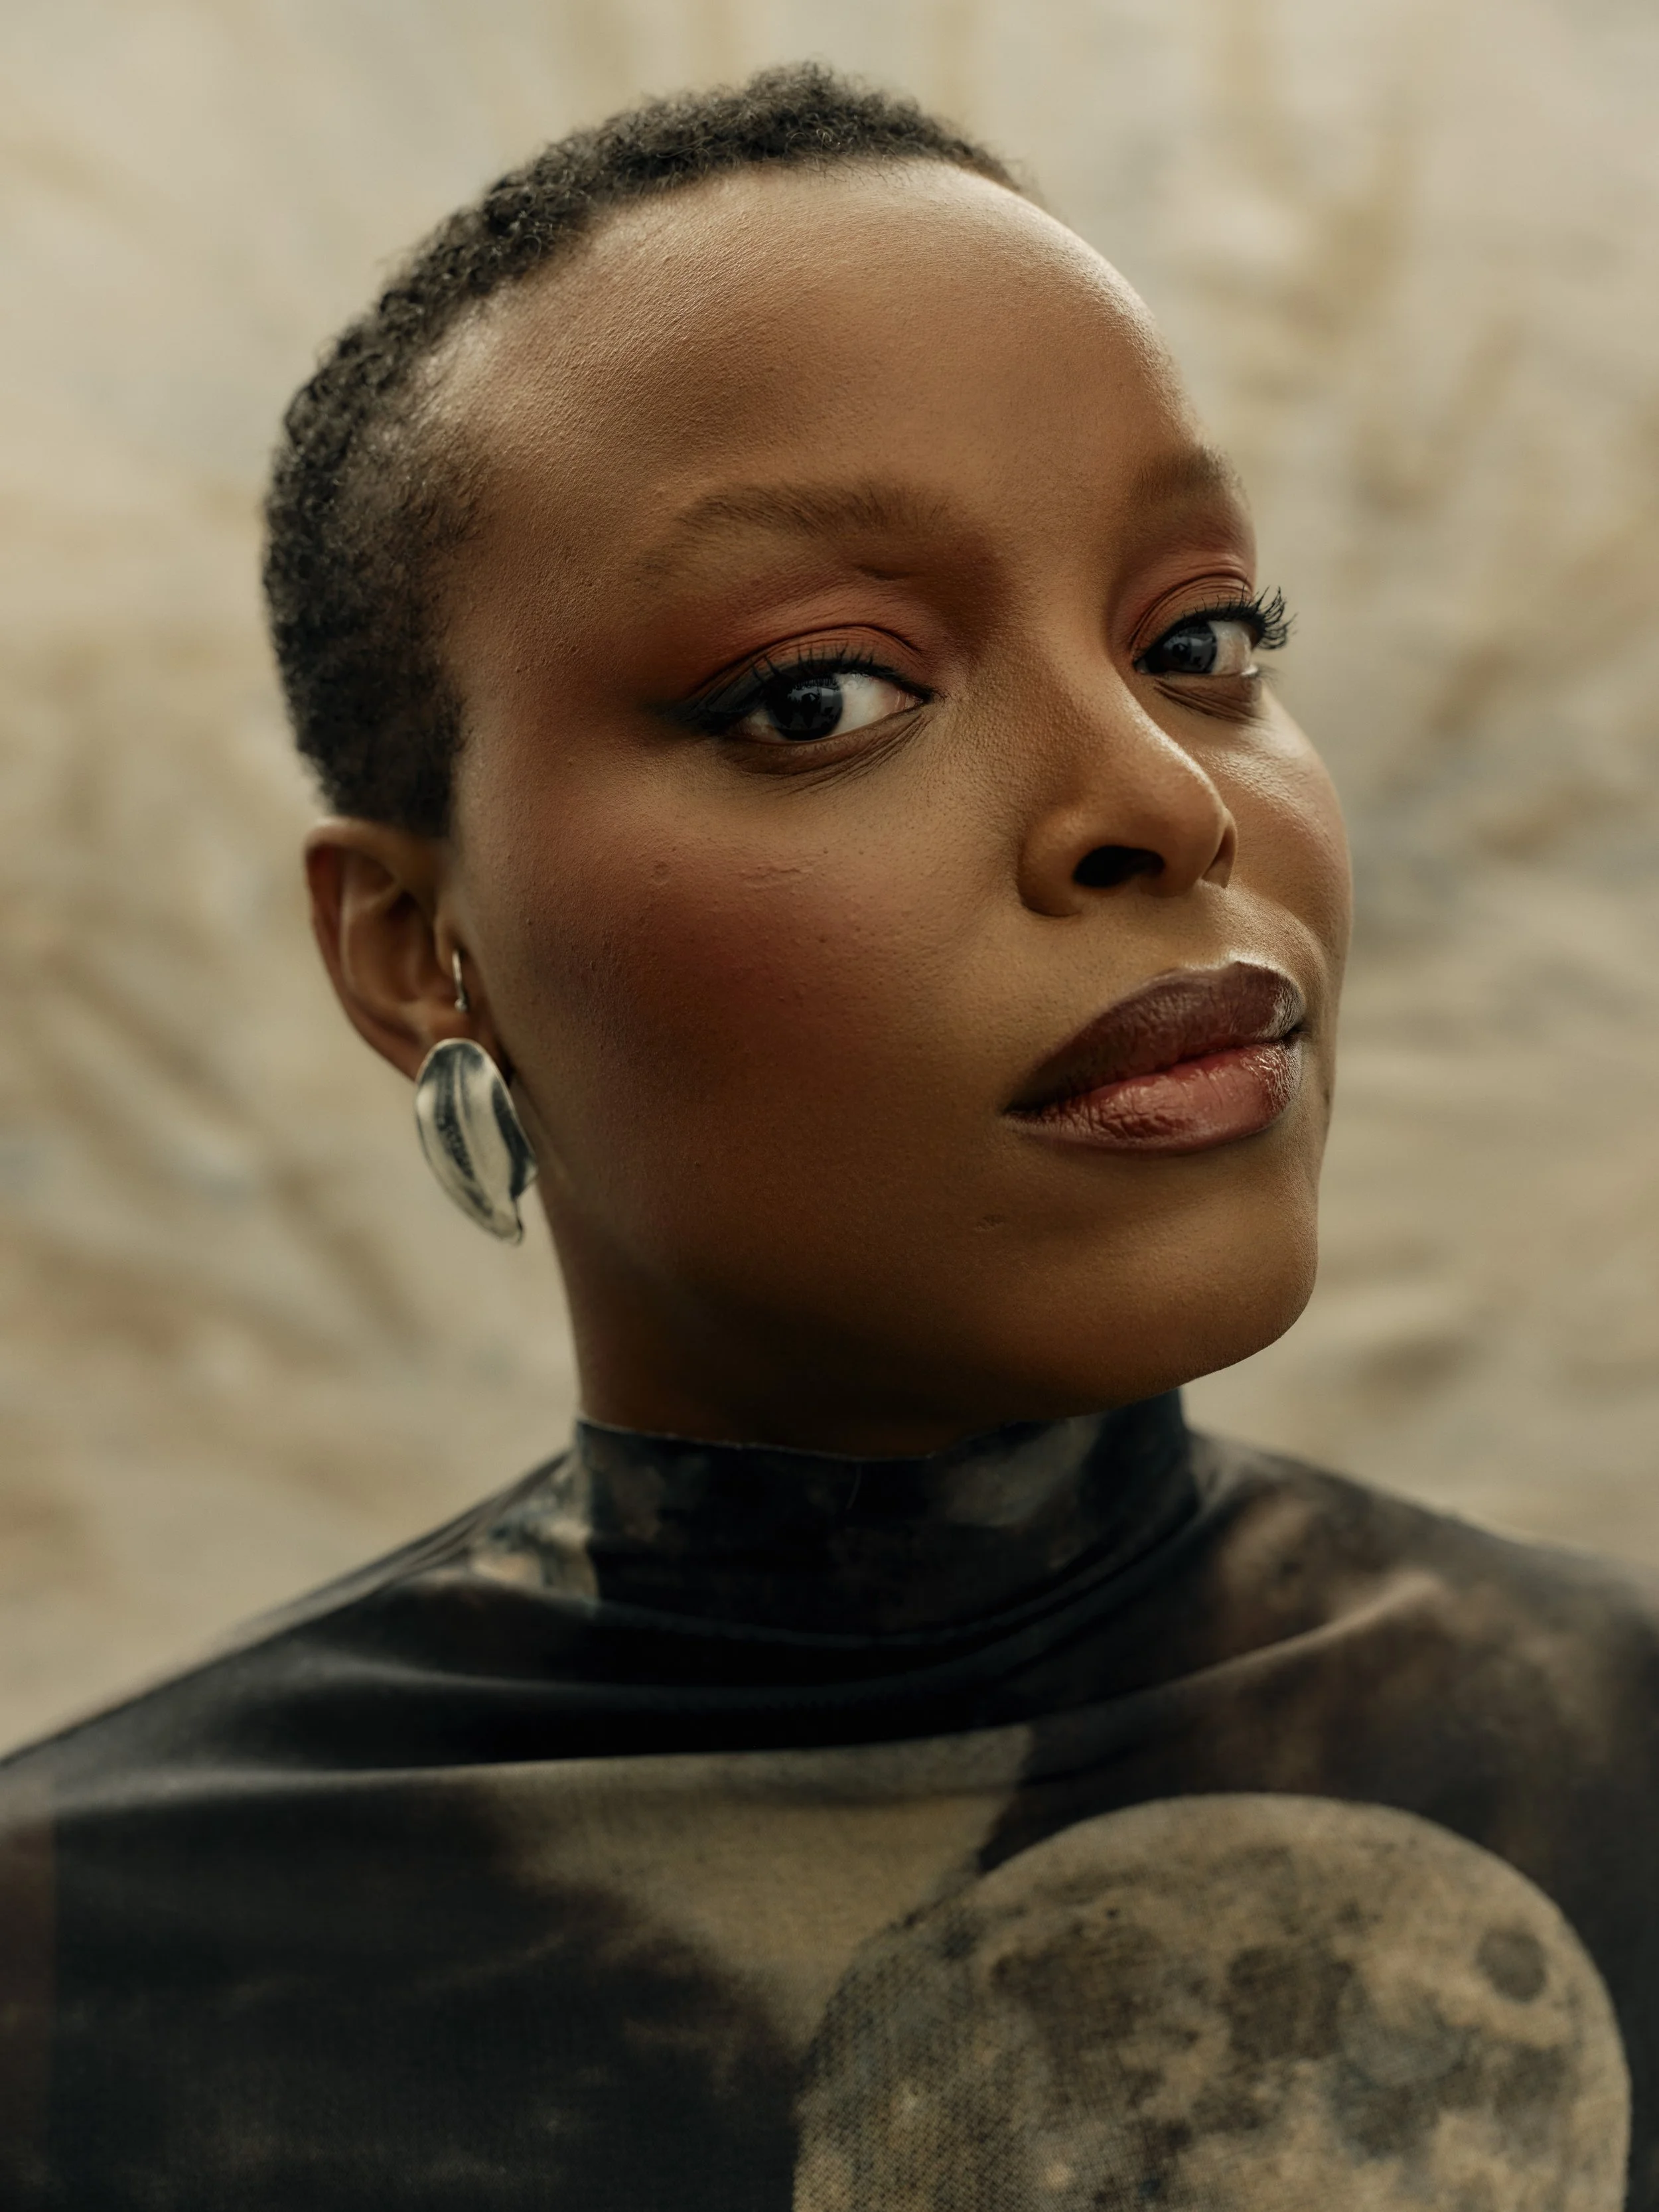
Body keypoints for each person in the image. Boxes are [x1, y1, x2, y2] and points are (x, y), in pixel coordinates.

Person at [0, 62, 1648, 2209]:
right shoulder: (71, 1994)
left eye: (1200, 638)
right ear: (419, 945)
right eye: (817, 695)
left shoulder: (1619, 1755)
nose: (1164, 797)